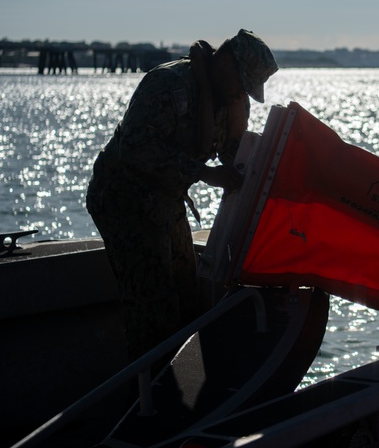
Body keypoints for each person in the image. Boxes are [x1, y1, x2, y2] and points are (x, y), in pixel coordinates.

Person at [86, 29, 278, 362]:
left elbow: (231, 154)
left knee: (188, 296)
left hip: (165, 202)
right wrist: (203, 174)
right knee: (152, 304)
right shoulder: (167, 84)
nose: (240, 93)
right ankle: (145, 396)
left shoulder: (231, 99)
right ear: (226, 62)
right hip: (123, 200)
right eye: (240, 83)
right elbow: (134, 147)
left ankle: (184, 386)